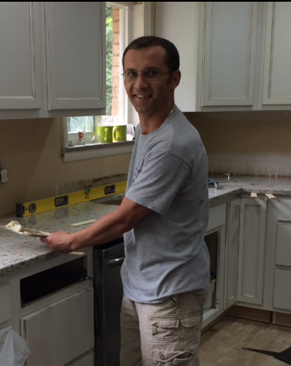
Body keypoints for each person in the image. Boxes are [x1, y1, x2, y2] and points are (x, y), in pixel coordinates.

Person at [41, 36, 209, 366]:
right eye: (131, 74)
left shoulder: (173, 143)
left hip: (169, 293)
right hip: (142, 286)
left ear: (174, 79)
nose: (139, 84)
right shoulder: (148, 130)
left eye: (151, 73)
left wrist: (72, 239)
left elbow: (125, 218)